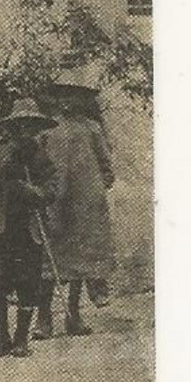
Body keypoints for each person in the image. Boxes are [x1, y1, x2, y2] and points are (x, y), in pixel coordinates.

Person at [36, 67, 116, 338]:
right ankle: (43, 318)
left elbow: (106, 167)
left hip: (84, 206)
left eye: (74, 95)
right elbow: (37, 163)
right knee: (50, 262)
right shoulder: (45, 129)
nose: (67, 100)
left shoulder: (91, 128)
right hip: (55, 203)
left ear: (83, 99)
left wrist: (95, 190)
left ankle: (73, 315)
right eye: (63, 94)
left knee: (78, 264)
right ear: (55, 98)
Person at [0, 98, 60, 359]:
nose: (26, 130)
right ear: (14, 127)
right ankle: (2, 337)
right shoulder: (3, 150)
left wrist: (31, 192)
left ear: (37, 128)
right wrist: (9, 153)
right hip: (1, 226)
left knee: (28, 283)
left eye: (31, 125)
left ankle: (21, 338)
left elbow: (52, 189)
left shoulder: (41, 156)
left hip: (29, 228)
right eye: (21, 125)